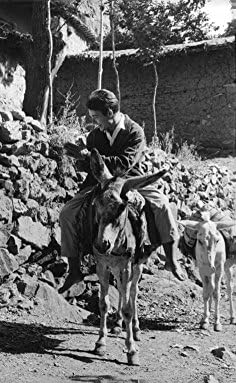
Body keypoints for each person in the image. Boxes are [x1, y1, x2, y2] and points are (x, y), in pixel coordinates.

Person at [59, 89, 187, 288]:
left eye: (96, 117)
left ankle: (171, 260)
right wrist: (79, 158)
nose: (94, 122)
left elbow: (124, 163)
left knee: (162, 204)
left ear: (109, 113)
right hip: (99, 182)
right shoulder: (94, 136)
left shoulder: (134, 132)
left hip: (130, 179)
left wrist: (90, 157)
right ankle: (74, 269)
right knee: (67, 213)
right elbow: (91, 167)